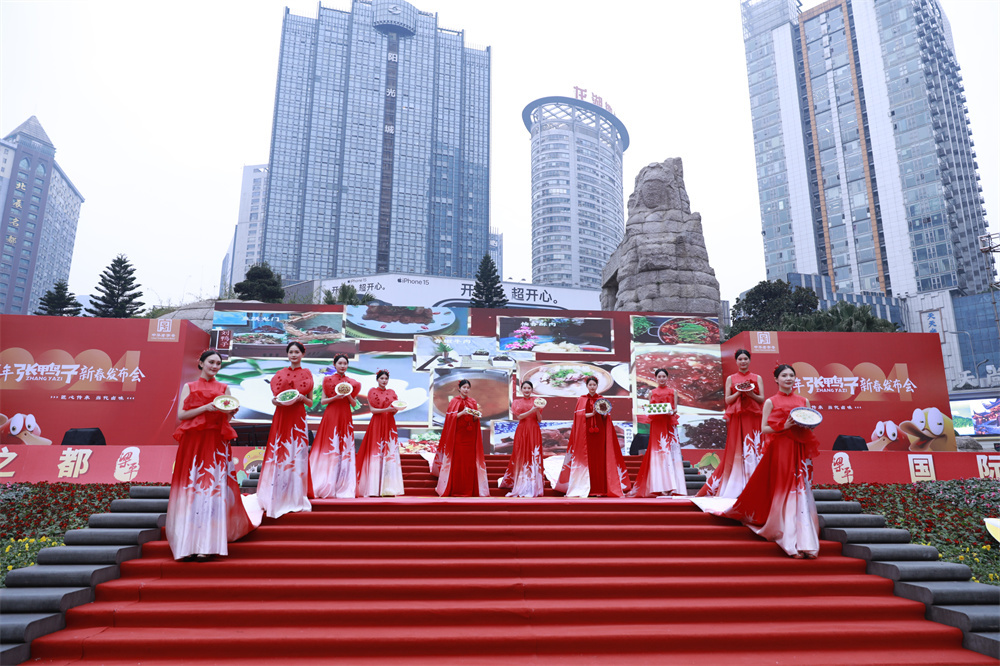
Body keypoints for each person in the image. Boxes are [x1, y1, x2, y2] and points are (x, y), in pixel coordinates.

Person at [723, 364, 822, 559]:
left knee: (800, 490)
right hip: (780, 451)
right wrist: (784, 426)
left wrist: (805, 426)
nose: (788, 378)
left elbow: (811, 427)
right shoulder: (770, 401)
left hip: (799, 450)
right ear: (776, 379)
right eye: (784, 375)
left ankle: (807, 541)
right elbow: (764, 429)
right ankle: (789, 540)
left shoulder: (803, 401)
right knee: (785, 490)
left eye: (791, 375)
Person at [166, 350, 255, 560]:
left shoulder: (224, 388)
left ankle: (208, 543)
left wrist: (230, 412)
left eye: (218, 363)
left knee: (212, 489)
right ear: (201, 363)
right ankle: (186, 543)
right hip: (193, 443)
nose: (215, 366)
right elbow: (181, 415)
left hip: (215, 442)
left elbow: (230, 416)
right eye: (211, 362)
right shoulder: (190, 387)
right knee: (192, 488)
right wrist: (206, 407)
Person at [697, 348, 765, 498]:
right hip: (737, 417)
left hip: (753, 417)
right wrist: (739, 393)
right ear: (736, 361)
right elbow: (727, 400)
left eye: (745, 359)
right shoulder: (731, 379)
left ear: (749, 360)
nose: (743, 362)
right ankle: (735, 484)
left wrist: (751, 394)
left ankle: (754, 481)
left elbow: (762, 400)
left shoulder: (757, 377)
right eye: (740, 359)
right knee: (737, 447)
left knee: (753, 446)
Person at [257, 341, 313, 518]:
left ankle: (296, 495)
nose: (294, 355)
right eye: (291, 352)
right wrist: (275, 401)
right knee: (279, 453)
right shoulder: (279, 374)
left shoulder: (307, 374)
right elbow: (275, 399)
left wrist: (301, 398)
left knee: (296, 454)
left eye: (297, 352)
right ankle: (277, 493)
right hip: (281, 416)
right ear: (287, 354)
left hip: (298, 416)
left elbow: (310, 403)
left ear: (302, 354)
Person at [555, 376, 630, 498]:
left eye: (594, 385)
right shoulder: (582, 399)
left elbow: (606, 418)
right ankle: (585, 488)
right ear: (587, 386)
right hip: (585, 435)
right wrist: (592, 414)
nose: (592, 387)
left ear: (597, 386)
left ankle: (600, 488)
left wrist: (605, 414)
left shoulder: (602, 399)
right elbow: (579, 417)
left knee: (599, 459)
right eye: (590, 385)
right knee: (587, 459)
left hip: (599, 434)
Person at [310, 353, 361, 499]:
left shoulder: (353, 383)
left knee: (343, 446)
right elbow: (323, 402)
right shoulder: (327, 380)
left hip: (345, 415)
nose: (342, 366)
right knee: (330, 445)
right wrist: (336, 397)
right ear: (334, 364)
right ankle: (325, 483)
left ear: (347, 365)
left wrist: (349, 395)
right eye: (340, 363)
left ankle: (343, 483)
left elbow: (354, 405)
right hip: (331, 415)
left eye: (345, 363)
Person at [629, 368, 686, 497]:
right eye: (659, 376)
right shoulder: (652, 392)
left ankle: (673, 487)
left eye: (664, 376)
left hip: (669, 424)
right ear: (656, 378)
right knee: (659, 453)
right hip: (657, 426)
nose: (661, 379)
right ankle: (659, 485)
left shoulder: (673, 392)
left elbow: (675, 409)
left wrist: (671, 411)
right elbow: (651, 409)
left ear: (667, 378)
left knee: (671, 453)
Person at [435, 379, 489, 497]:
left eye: (468, 388)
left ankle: (469, 490)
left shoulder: (473, 401)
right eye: (464, 387)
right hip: (458, 436)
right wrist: (462, 413)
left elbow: (474, 420)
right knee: (458, 463)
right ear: (459, 388)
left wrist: (477, 416)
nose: (466, 390)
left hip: (470, 436)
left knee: (469, 464)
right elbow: (449, 418)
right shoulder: (454, 401)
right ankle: (457, 490)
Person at [356, 369, 405, 497]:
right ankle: (373, 488)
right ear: (377, 379)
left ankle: (388, 488)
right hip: (377, 423)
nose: (384, 381)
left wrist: (395, 409)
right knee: (376, 453)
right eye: (382, 378)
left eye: (386, 379)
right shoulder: (372, 391)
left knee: (389, 453)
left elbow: (395, 409)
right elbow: (372, 410)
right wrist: (387, 409)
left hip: (389, 422)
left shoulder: (392, 393)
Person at [498, 380, 545, 498]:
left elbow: (539, 419)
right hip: (522, 430)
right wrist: (532, 410)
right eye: (525, 388)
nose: (527, 390)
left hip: (534, 429)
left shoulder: (537, 401)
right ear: (521, 390)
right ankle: (521, 483)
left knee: (534, 455)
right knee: (521, 454)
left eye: (529, 388)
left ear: (532, 390)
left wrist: (537, 410)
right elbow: (520, 416)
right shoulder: (517, 402)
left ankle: (534, 485)